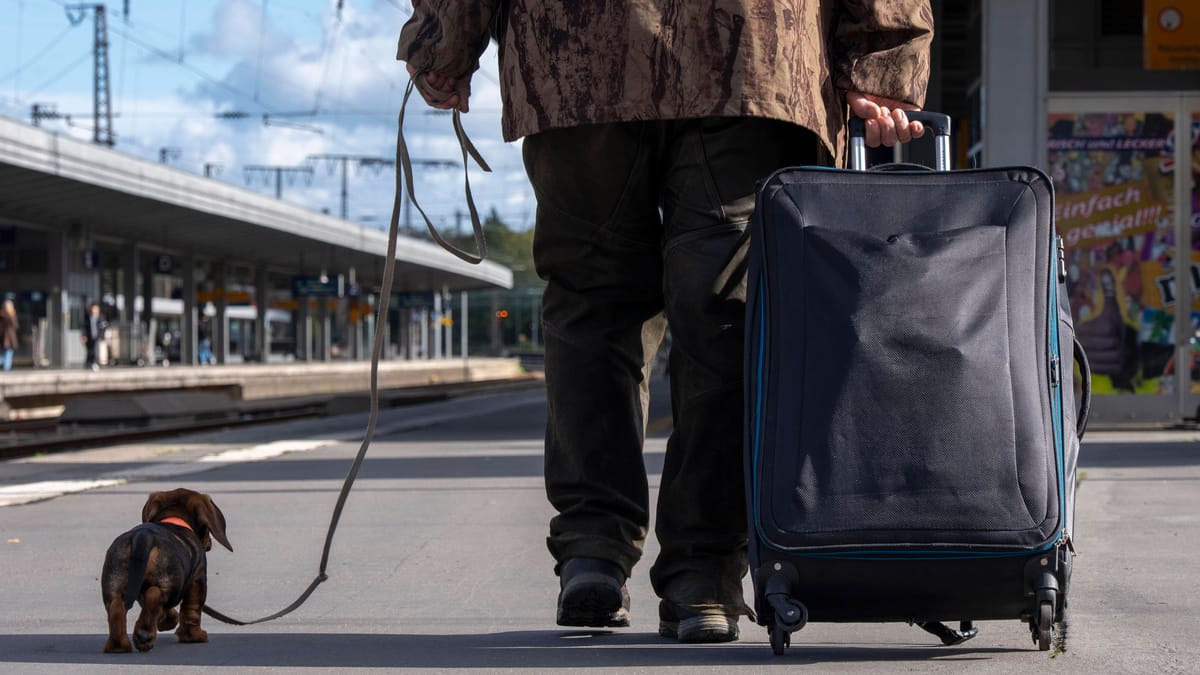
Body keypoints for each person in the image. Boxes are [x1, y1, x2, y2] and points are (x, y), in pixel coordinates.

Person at [399, 0, 932, 643]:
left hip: (576, 53)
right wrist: (883, 54)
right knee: (728, 316)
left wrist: (443, 41)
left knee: (594, 305)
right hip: (748, 50)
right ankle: (703, 572)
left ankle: (594, 550)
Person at [82, 302, 108, 372]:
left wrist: (102, 336)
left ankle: (95, 363)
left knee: (96, 350)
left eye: (96, 309)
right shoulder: (88, 317)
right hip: (90, 336)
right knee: (90, 350)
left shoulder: (101, 317)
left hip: (98, 337)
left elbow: (104, 327)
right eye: (94, 309)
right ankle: (88, 363)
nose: (95, 310)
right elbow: (84, 327)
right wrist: (84, 336)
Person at [0, 298, 18, 371]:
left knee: (7, 353)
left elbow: (15, 325)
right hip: (5, 338)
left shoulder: (11, 315)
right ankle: (6, 367)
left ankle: (7, 367)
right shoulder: (3, 315)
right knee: (6, 354)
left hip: (8, 339)